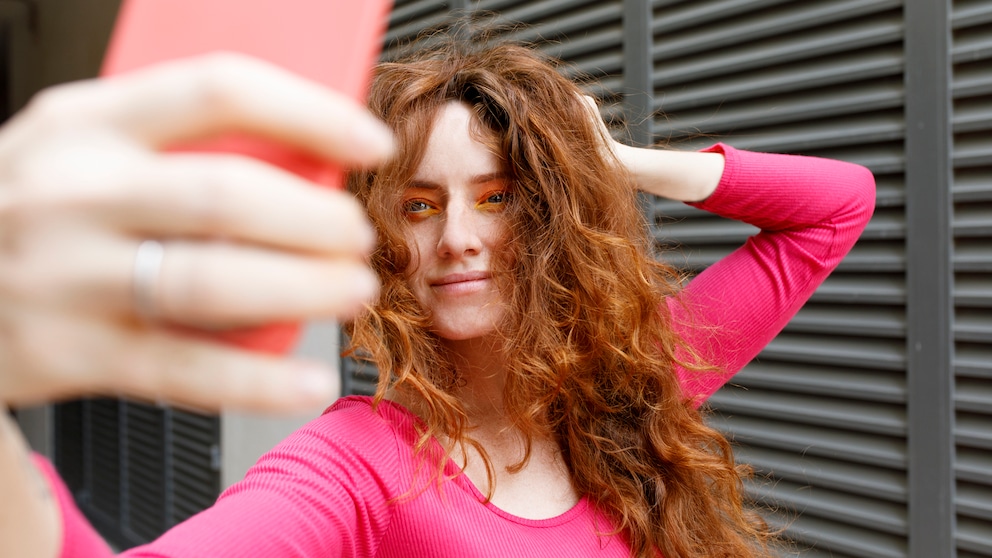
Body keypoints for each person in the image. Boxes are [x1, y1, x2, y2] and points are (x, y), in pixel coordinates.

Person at [1, 28, 875, 558]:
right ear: (387, 243)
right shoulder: (358, 465)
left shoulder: (634, 386)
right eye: (419, 206)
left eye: (495, 197)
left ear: (548, 217)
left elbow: (836, 207)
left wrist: (609, 160)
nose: (456, 236)